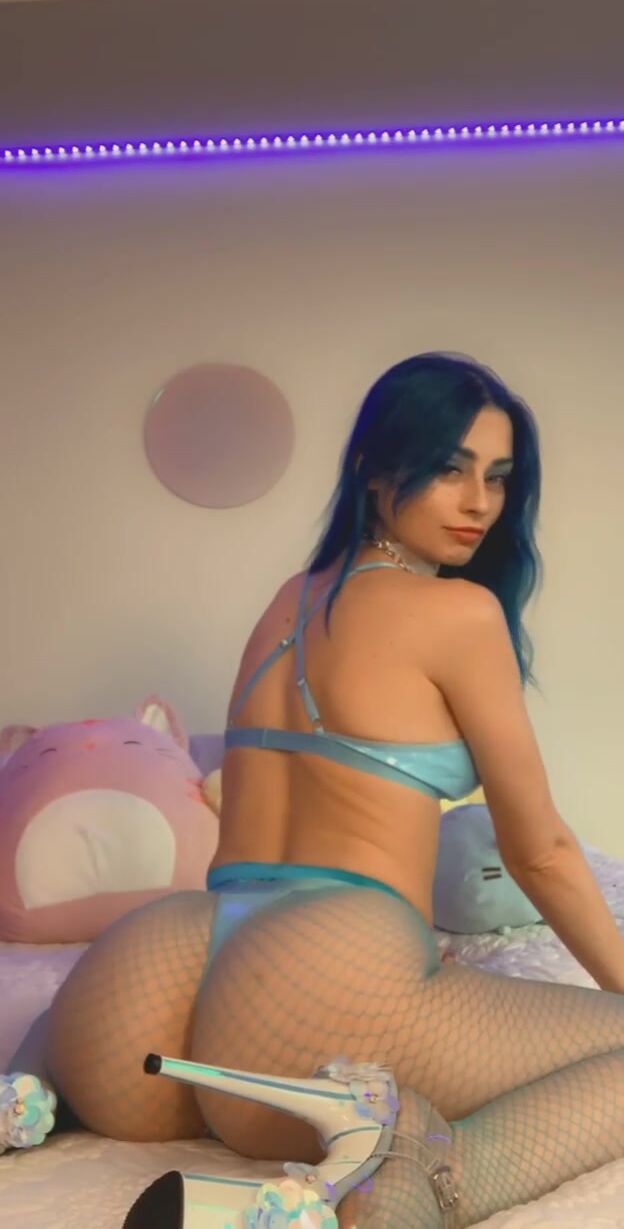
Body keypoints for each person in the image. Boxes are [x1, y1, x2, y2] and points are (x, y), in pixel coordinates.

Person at [5, 351, 624, 1229]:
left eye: (497, 476)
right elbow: (543, 852)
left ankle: (26, 1090)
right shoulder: (459, 615)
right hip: (321, 985)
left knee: (60, 1040)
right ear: (374, 470)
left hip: (148, 982)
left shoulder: (288, 600)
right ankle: (437, 1165)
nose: (480, 503)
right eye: (450, 469)